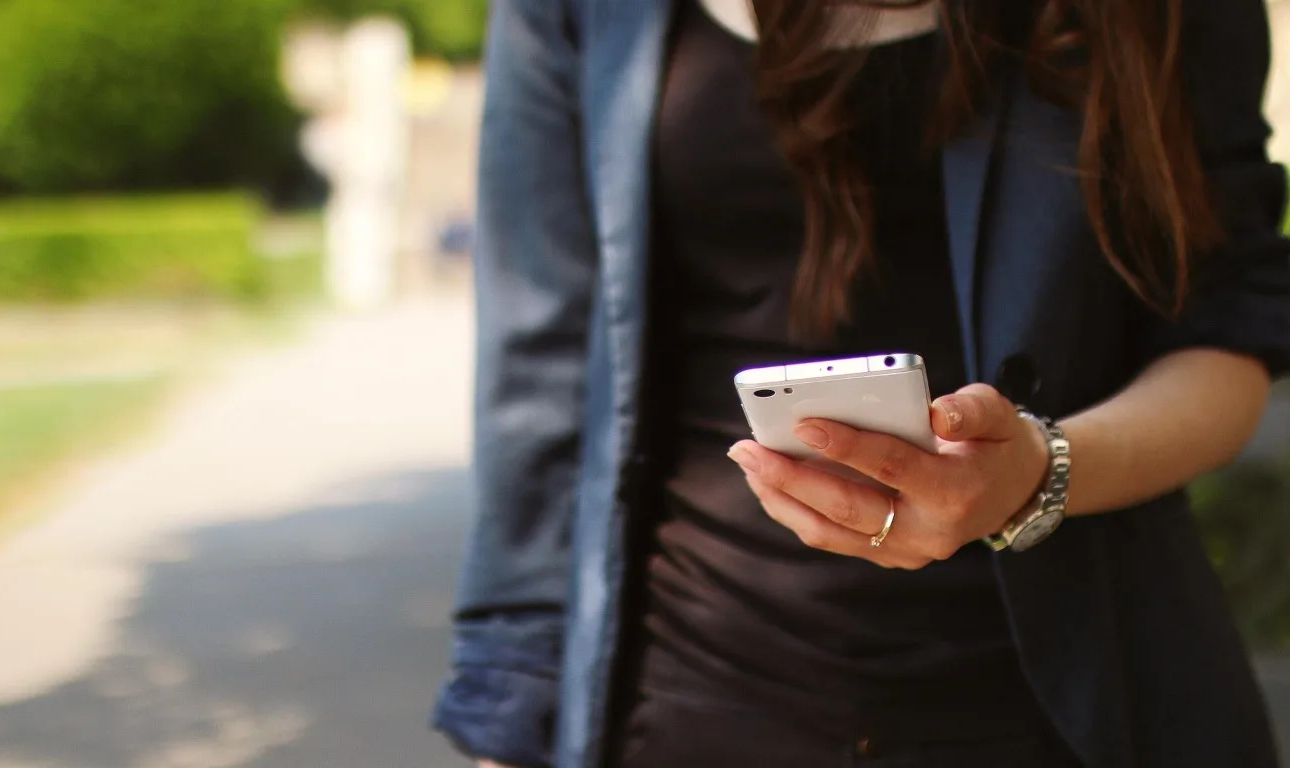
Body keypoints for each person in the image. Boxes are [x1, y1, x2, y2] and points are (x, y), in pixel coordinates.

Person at [434, 0, 1290, 766]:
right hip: (685, 695)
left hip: (1079, 700)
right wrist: (509, 725)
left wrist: (1037, 473)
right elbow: (541, 375)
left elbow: (1229, 334)